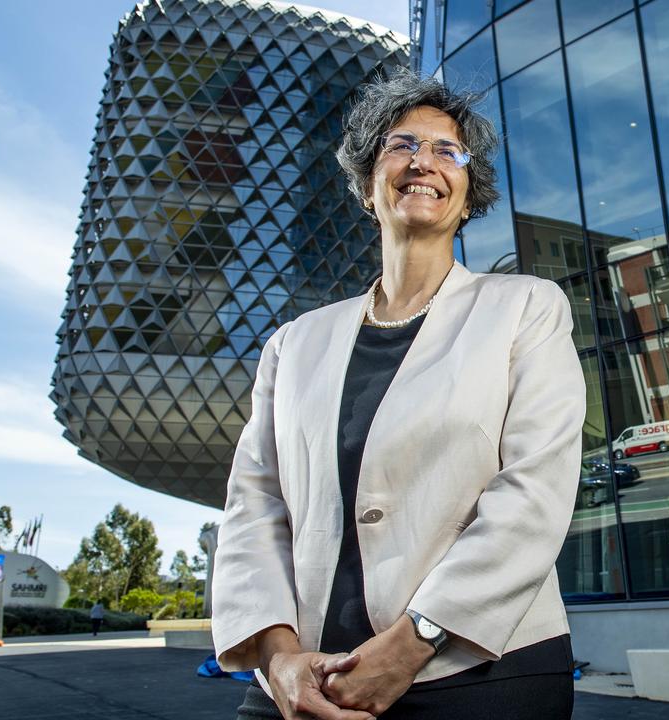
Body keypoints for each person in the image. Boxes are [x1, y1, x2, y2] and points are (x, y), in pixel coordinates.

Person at [211, 69, 585, 720]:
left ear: (468, 195)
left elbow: (536, 489)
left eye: (447, 151)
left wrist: (417, 639)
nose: (424, 162)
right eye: (401, 145)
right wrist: (277, 657)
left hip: (479, 672)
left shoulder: (525, 308)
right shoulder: (294, 344)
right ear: (365, 186)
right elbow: (254, 507)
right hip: (307, 680)